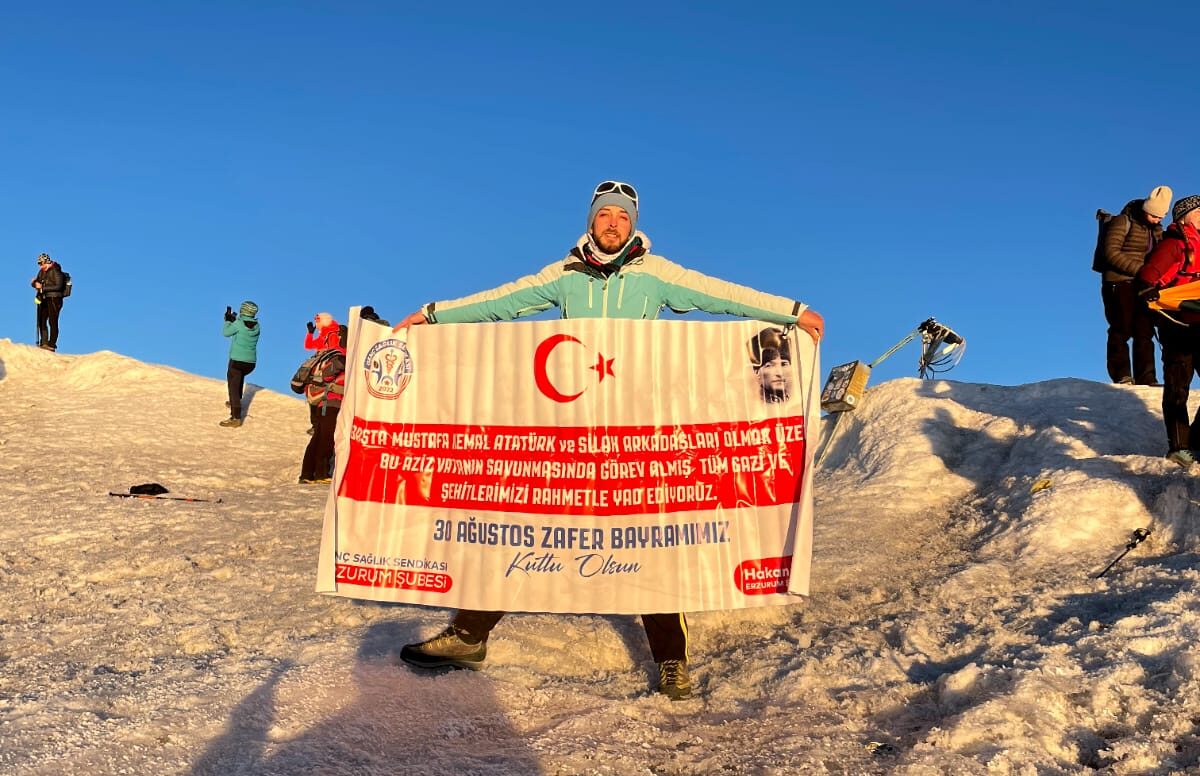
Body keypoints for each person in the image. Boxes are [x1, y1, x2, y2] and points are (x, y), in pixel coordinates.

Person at [391, 180, 824, 700]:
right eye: (604, 216)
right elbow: (502, 302)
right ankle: (468, 636)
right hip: (574, 430)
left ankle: (671, 661)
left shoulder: (656, 275)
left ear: (634, 224)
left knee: (650, 539)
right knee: (523, 524)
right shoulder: (566, 275)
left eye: (622, 216)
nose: (613, 223)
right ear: (591, 221)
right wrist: (433, 314)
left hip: (637, 432)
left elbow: (721, 294)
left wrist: (791, 312)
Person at [1137, 194, 1200, 467]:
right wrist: (1148, 288)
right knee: (1177, 386)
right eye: (1199, 212)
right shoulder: (1175, 244)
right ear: (1186, 216)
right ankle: (1179, 447)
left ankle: (1197, 441)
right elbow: (1148, 275)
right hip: (1176, 324)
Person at [1100, 186, 1172, 385]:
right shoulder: (1122, 221)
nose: (1157, 220)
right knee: (1120, 328)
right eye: (1154, 215)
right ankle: (1121, 374)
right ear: (1146, 209)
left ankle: (1147, 377)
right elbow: (1111, 252)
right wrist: (1142, 271)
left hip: (1143, 284)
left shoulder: (1157, 230)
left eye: (1161, 216)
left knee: (1145, 330)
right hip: (1118, 282)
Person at [299, 325, 347, 484]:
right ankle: (320, 473)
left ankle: (306, 474)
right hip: (331, 403)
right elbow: (326, 376)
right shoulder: (341, 357)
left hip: (324, 403)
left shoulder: (336, 354)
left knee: (318, 437)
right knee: (326, 438)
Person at [220, 301, 261, 428]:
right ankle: (235, 402)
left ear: (243, 310)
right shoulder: (257, 326)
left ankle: (236, 417)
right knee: (240, 378)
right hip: (250, 363)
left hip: (236, 360)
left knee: (233, 384)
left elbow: (226, 333)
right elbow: (245, 326)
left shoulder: (238, 323)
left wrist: (228, 320)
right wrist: (235, 320)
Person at [304, 312, 342, 434]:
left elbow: (332, 352)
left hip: (327, 370)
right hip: (326, 369)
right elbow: (308, 345)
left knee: (317, 394)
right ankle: (317, 424)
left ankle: (317, 425)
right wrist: (310, 333)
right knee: (317, 395)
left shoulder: (331, 334)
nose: (316, 323)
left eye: (318, 320)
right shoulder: (327, 333)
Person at [31, 253, 66, 351]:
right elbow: (37, 283)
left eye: (41, 263)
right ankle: (44, 343)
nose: (41, 266)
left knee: (52, 321)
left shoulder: (56, 270)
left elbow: (59, 286)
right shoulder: (42, 271)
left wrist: (42, 287)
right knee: (41, 320)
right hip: (44, 299)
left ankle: (51, 345)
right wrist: (34, 283)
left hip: (55, 299)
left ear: (47, 261)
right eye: (39, 264)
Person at [748, 326, 792, 403]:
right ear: (757, 371)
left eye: (784, 364)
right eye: (769, 365)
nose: (779, 373)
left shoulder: (798, 402)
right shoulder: (753, 404)